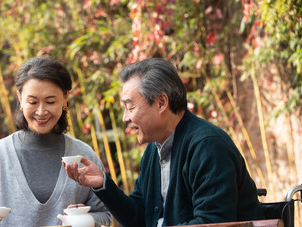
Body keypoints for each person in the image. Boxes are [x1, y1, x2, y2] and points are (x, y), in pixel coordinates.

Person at [64, 58, 265, 227]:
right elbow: (139, 218)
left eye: (130, 107)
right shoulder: (154, 150)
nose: (125, 118)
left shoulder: (207, 146)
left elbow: (212, 222)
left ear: (161, 102)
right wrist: (103, 185)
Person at [0, 57, 111, 227]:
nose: (41, 112)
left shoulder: (83, 156)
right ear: (19, 99)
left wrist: (84, 221)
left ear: (65, 98)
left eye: (50, 102)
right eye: (33, 102)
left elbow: (105, 216)